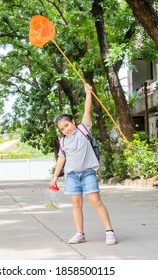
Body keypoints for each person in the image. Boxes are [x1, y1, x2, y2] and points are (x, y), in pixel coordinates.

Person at [51, 83, 116, 245]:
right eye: (62, 129)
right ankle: (80, 233)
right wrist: (54, 176)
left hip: (87, 173)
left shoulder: (83, 129)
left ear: (73, 121)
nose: (65, 130)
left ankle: (109, 232)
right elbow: (61, 158)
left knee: (96, 202)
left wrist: (88, 93)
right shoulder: (63, 141)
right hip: (71, 176)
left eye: (67, 125)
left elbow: (87, 111)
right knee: (76, 205)